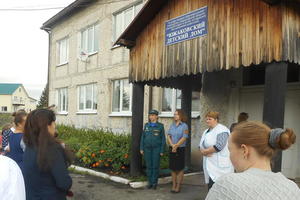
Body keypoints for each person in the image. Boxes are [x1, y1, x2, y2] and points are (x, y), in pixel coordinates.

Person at [206, 121, 300, 200]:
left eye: (230, 150)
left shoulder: (227, 185)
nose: (229, 156)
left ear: (244, 150)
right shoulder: (292, 188)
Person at [22, 109, 73, 200]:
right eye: (54, 122)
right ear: (47, 126)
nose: (55, 126)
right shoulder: (52, 148)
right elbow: (64, 183)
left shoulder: (29, 146)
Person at [199, 111, 234, 190]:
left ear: (216, 119)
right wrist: (202, 151)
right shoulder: (206, 131)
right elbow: (200, 145)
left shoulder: (222, 130)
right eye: (206, 119)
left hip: (220, 166)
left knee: (220, 188)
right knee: (211, 187)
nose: (207, 121)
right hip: (210, 163)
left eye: (210, 119)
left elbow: (219, 146)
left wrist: (205, 152)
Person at [140, 109, 166, 190]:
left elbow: (163, 139)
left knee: (155, 166)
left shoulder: (160, 126)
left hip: (156, 149)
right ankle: (149, 183)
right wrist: (141, 148)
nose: (151, 117)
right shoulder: (146, 125)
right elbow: (143, 137)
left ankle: (154, 183)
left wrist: (162, 150)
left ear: (156, 116)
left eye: (153, 115)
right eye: (150, 115)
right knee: (149, 166)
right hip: (147, 149)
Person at [167, 109, 189, 193]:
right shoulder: (172, 125)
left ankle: (178, 186)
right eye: (174, 114)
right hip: (172, 148)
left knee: (179, 168)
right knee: (172, 168)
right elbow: (168, 136)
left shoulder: (184, 126)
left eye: (176, 114)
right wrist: (172, 145)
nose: (175, 116)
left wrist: (176, 145)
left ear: (181, 116)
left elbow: (184, 137)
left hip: (180, 149)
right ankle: (173, 185)